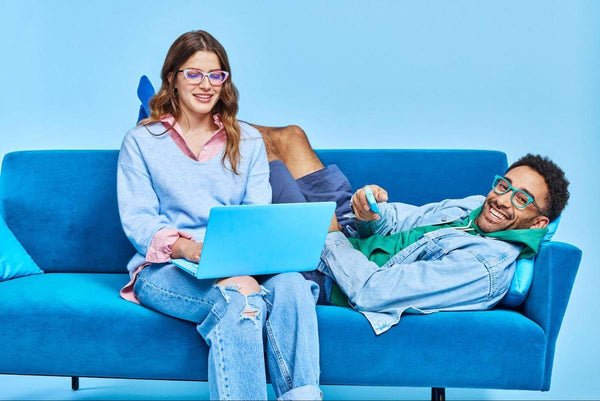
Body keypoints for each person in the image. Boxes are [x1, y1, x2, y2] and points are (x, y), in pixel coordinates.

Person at [117, 30, 322, 400]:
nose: (206, 84)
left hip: (240, 263)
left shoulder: (248, 141)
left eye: (216, 75)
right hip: (167, 268)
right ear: (173, 79)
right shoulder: (142, 141)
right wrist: (192, 250)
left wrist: (234, 262)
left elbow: (255, 217)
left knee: (292, 286)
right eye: (194, 74)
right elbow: (139, 221)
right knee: (239, 301)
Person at [256, 130, 570, 335]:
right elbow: (402, 222)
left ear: (537, 223)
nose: (501, 199)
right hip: (348, 232)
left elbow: (372, 292)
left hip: (334, 272)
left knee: (269, 165)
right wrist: (370, 211)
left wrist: (329, 235)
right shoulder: (475, 208)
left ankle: (206, 225)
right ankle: (206, 119)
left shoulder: (486, 266)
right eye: (504, 186)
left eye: (521, 199)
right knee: (288, 138)